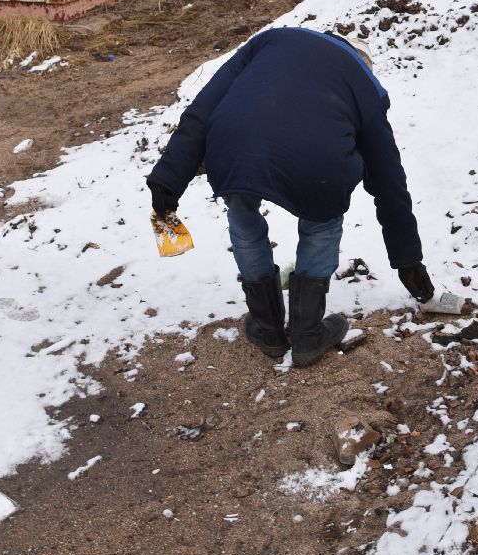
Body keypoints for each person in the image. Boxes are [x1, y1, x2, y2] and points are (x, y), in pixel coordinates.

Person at [147, 27, 436, 368]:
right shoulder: (364, 87)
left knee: (243, 219)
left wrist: (168, 179)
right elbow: (389, 181)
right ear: (363, 64)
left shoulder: (272, 40)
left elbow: (202, 109)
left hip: (235, 145)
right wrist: (407, 259)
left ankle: (267, 328)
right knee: (321, 224)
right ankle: (307, 334)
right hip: (318, 163)